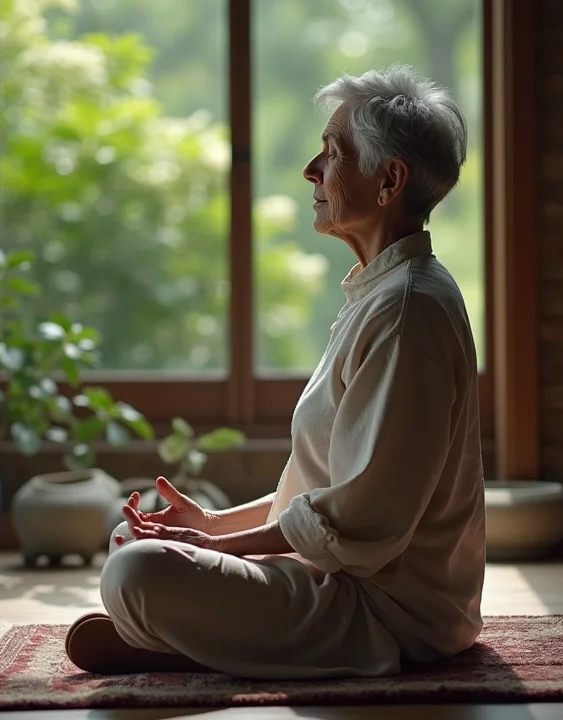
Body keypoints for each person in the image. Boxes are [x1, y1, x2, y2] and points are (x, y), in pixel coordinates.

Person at [65, 64, 485, 679]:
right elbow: (321, 493)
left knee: (138, 571)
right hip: (337, 580)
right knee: (133, 548)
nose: (311, 171)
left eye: (332, 154)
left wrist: (215, 548)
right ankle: (194, 636)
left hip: (390, 614)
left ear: (389, 179)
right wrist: (211, 524)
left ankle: (189, 642)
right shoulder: (383, 293)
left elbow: (360, 517)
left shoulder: (406, 311)